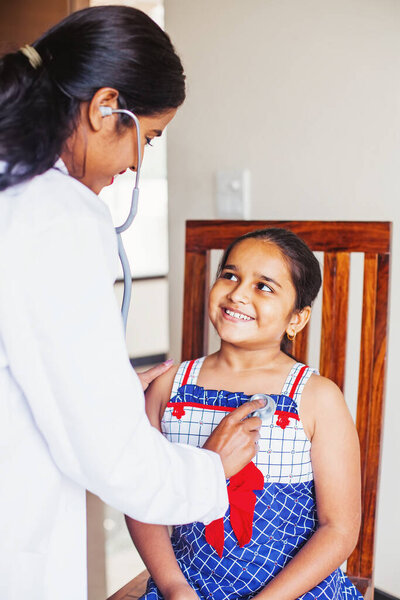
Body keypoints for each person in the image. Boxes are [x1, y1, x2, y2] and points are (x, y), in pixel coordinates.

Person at [0, 7, 263, 600]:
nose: (131, 167)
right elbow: (107, 452)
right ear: (104, 108)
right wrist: (209, 471)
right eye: (147, 139)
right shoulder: (54, 216)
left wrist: (103, 386)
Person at [126, 228, 363, 600]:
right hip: (187, 588)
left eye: (264, 286)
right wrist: (173, 586)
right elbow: (143, 497)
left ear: (297, 319)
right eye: (230, 275)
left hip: (295, 592)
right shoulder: (166, 386)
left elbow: (340, 528)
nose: (237, 293)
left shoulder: (318, 399)